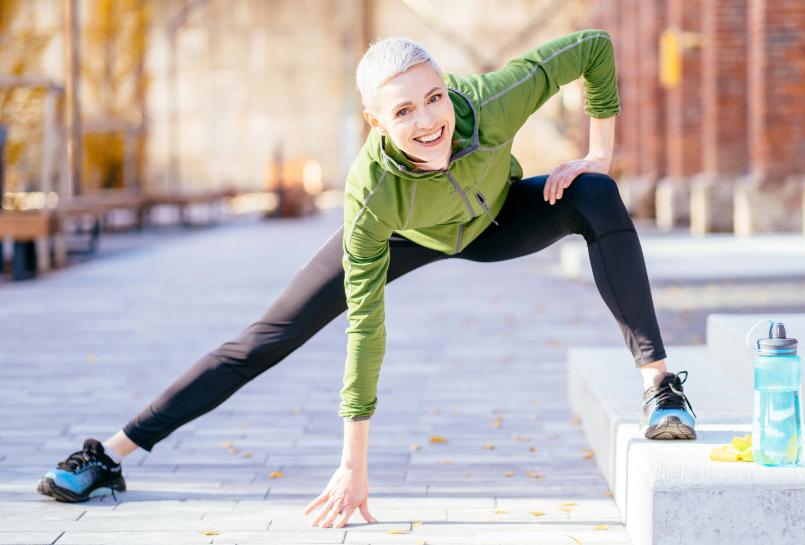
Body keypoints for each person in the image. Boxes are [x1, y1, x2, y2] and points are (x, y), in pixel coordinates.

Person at [37, 29, 697, 528]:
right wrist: (354, 459)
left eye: (434, 98)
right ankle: (110, 452)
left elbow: (592, 48)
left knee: (596, 195)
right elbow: (365, 328)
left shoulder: (492, 101)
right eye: (403, 112)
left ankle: (661, 386)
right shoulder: (370, 192)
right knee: (267, 336)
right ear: (375, 122)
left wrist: (598, 154)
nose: (429, 121)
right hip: (406, 233)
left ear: (449, 89)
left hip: (499, 219)